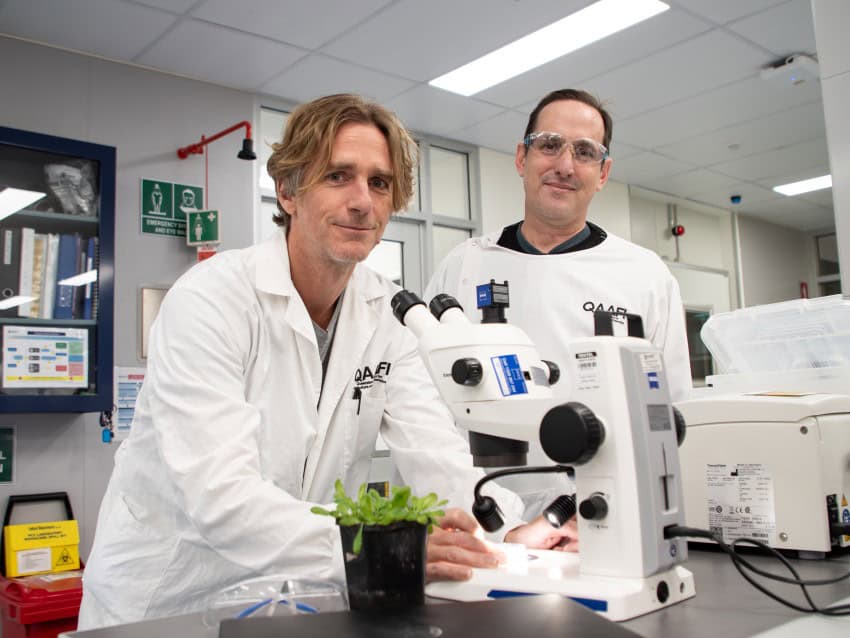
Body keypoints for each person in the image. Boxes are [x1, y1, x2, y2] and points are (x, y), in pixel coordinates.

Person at [78, 94, 576, 629]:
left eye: (379, 183)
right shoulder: (211, 299)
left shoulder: (389, 314)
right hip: (166, 598)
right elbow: (219, 495)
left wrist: (509, 529)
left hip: (293, 598)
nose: (362, 201)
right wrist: (378, 550)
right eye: (339, 176)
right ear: (289, 191)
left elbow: (435, 452)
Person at [427, 88, 692, 518]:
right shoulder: (464, 266)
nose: (565, 165)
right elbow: (423, 407)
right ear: (522, 158)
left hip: (603, 514)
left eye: (585, 152)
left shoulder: (645, 275)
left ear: (603, 173)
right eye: (550, 145)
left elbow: (671, 417)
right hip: (477, 510)